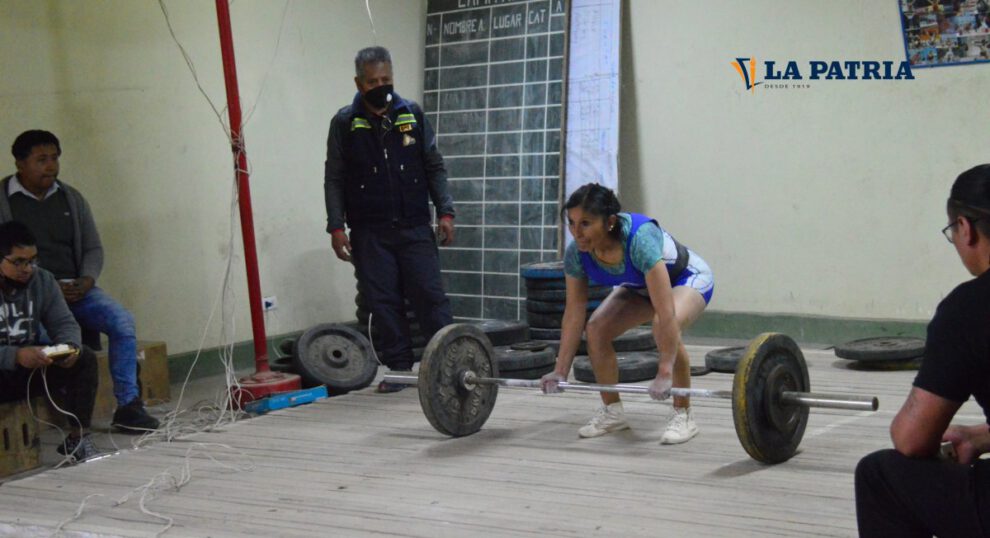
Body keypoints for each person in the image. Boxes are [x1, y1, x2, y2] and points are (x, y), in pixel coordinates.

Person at [855, 164, 990, 538]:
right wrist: (980, 437)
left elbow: (912, 439)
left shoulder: (968, 309)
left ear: (965, 228)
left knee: (879, 477)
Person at [0, 130, 159, 433]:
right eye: (41, 160)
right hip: (33, 293)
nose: (51, 166)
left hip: (79, 288)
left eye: (55, 158)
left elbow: (93, 247)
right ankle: (63, 412)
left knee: (122, 322)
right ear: (20, 164)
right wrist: (42, 282)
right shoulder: (4, 202)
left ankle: (128, 404)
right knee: (47, 341)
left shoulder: (71, 198)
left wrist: (87, 279)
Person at [323, 46, 455, 393]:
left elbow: (433, 165)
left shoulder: (410, 113)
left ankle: (447, 363)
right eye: (372, 81)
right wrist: (336, 227)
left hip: (414, 226)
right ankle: (398, 369)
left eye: (386, 79)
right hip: (370, 232)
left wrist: (446, 211)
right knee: (383, 302)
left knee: (430, 296)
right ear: (358, 82)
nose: (380, 86)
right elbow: (334, 178)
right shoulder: (344, 123)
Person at [540, 183, 714, 444]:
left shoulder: (639, 240)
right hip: (640, 287)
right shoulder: (577, 253)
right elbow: (574, 312)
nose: (577, 233)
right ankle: (612, 413)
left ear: (609, 222)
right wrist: (560, 370)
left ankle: (683, 414)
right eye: (572, 223)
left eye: (586, 223)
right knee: (596, 329)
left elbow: (665, 314)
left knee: (663, 324)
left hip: (687, 279)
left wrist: (664, 372)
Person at [0, 221, 102, 463]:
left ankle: (78, 440)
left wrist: (69, 348)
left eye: (32, 260)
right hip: (6, 366)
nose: (27, 268)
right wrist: (14, 355)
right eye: (18, 262)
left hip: (31, 367)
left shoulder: (43, 281)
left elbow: (64, 322)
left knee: (85, 357)